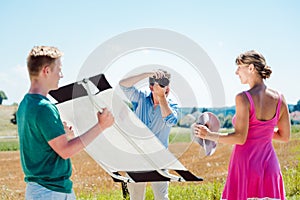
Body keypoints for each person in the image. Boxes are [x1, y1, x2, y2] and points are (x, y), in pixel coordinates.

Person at [17, 46, 114, 199]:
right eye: (59, 69)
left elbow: (44, 144)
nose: (61, 75)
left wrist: (63, 135)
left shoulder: (25, 104)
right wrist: (101, 125)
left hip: (42, 190)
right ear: (46, 71)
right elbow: (65, 151)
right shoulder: (44, 107)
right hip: (51, 192)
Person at [194, 50, 291, 200]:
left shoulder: (243, 98)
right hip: (270, 166)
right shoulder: (280, 99)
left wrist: (209, 135)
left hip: (245, 166)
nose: (236, 72)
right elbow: (284, 136)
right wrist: (261, 131)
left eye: (239, 67)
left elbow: (240, 138)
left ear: (251, 68)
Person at [119, 69, 178, 200]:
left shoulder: (172, 105)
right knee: (136, 197)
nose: (165, 88)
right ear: (151, 87)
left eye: (166, 84)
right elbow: (123, 85)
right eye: (161, 84)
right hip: (136, 158)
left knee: (162, 197)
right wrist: (147, 74)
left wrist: (161, 97)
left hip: (160, 159)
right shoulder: (140, 98)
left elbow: (170, 121)